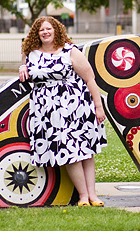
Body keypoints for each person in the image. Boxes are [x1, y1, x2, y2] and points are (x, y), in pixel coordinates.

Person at [18, 16, 107, 207]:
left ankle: (93, 195)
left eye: (49, 28)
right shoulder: (31, 53)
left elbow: (90, 79)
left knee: (86, 151)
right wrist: (22, 66)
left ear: (56, 30)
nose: (45, 32)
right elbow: (26, 69)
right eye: (41, 30)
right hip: (49, 113)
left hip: (77, 107)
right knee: (67, 152)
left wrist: (98, 107)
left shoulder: (70, 51)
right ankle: (83, 196)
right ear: (36, 33)